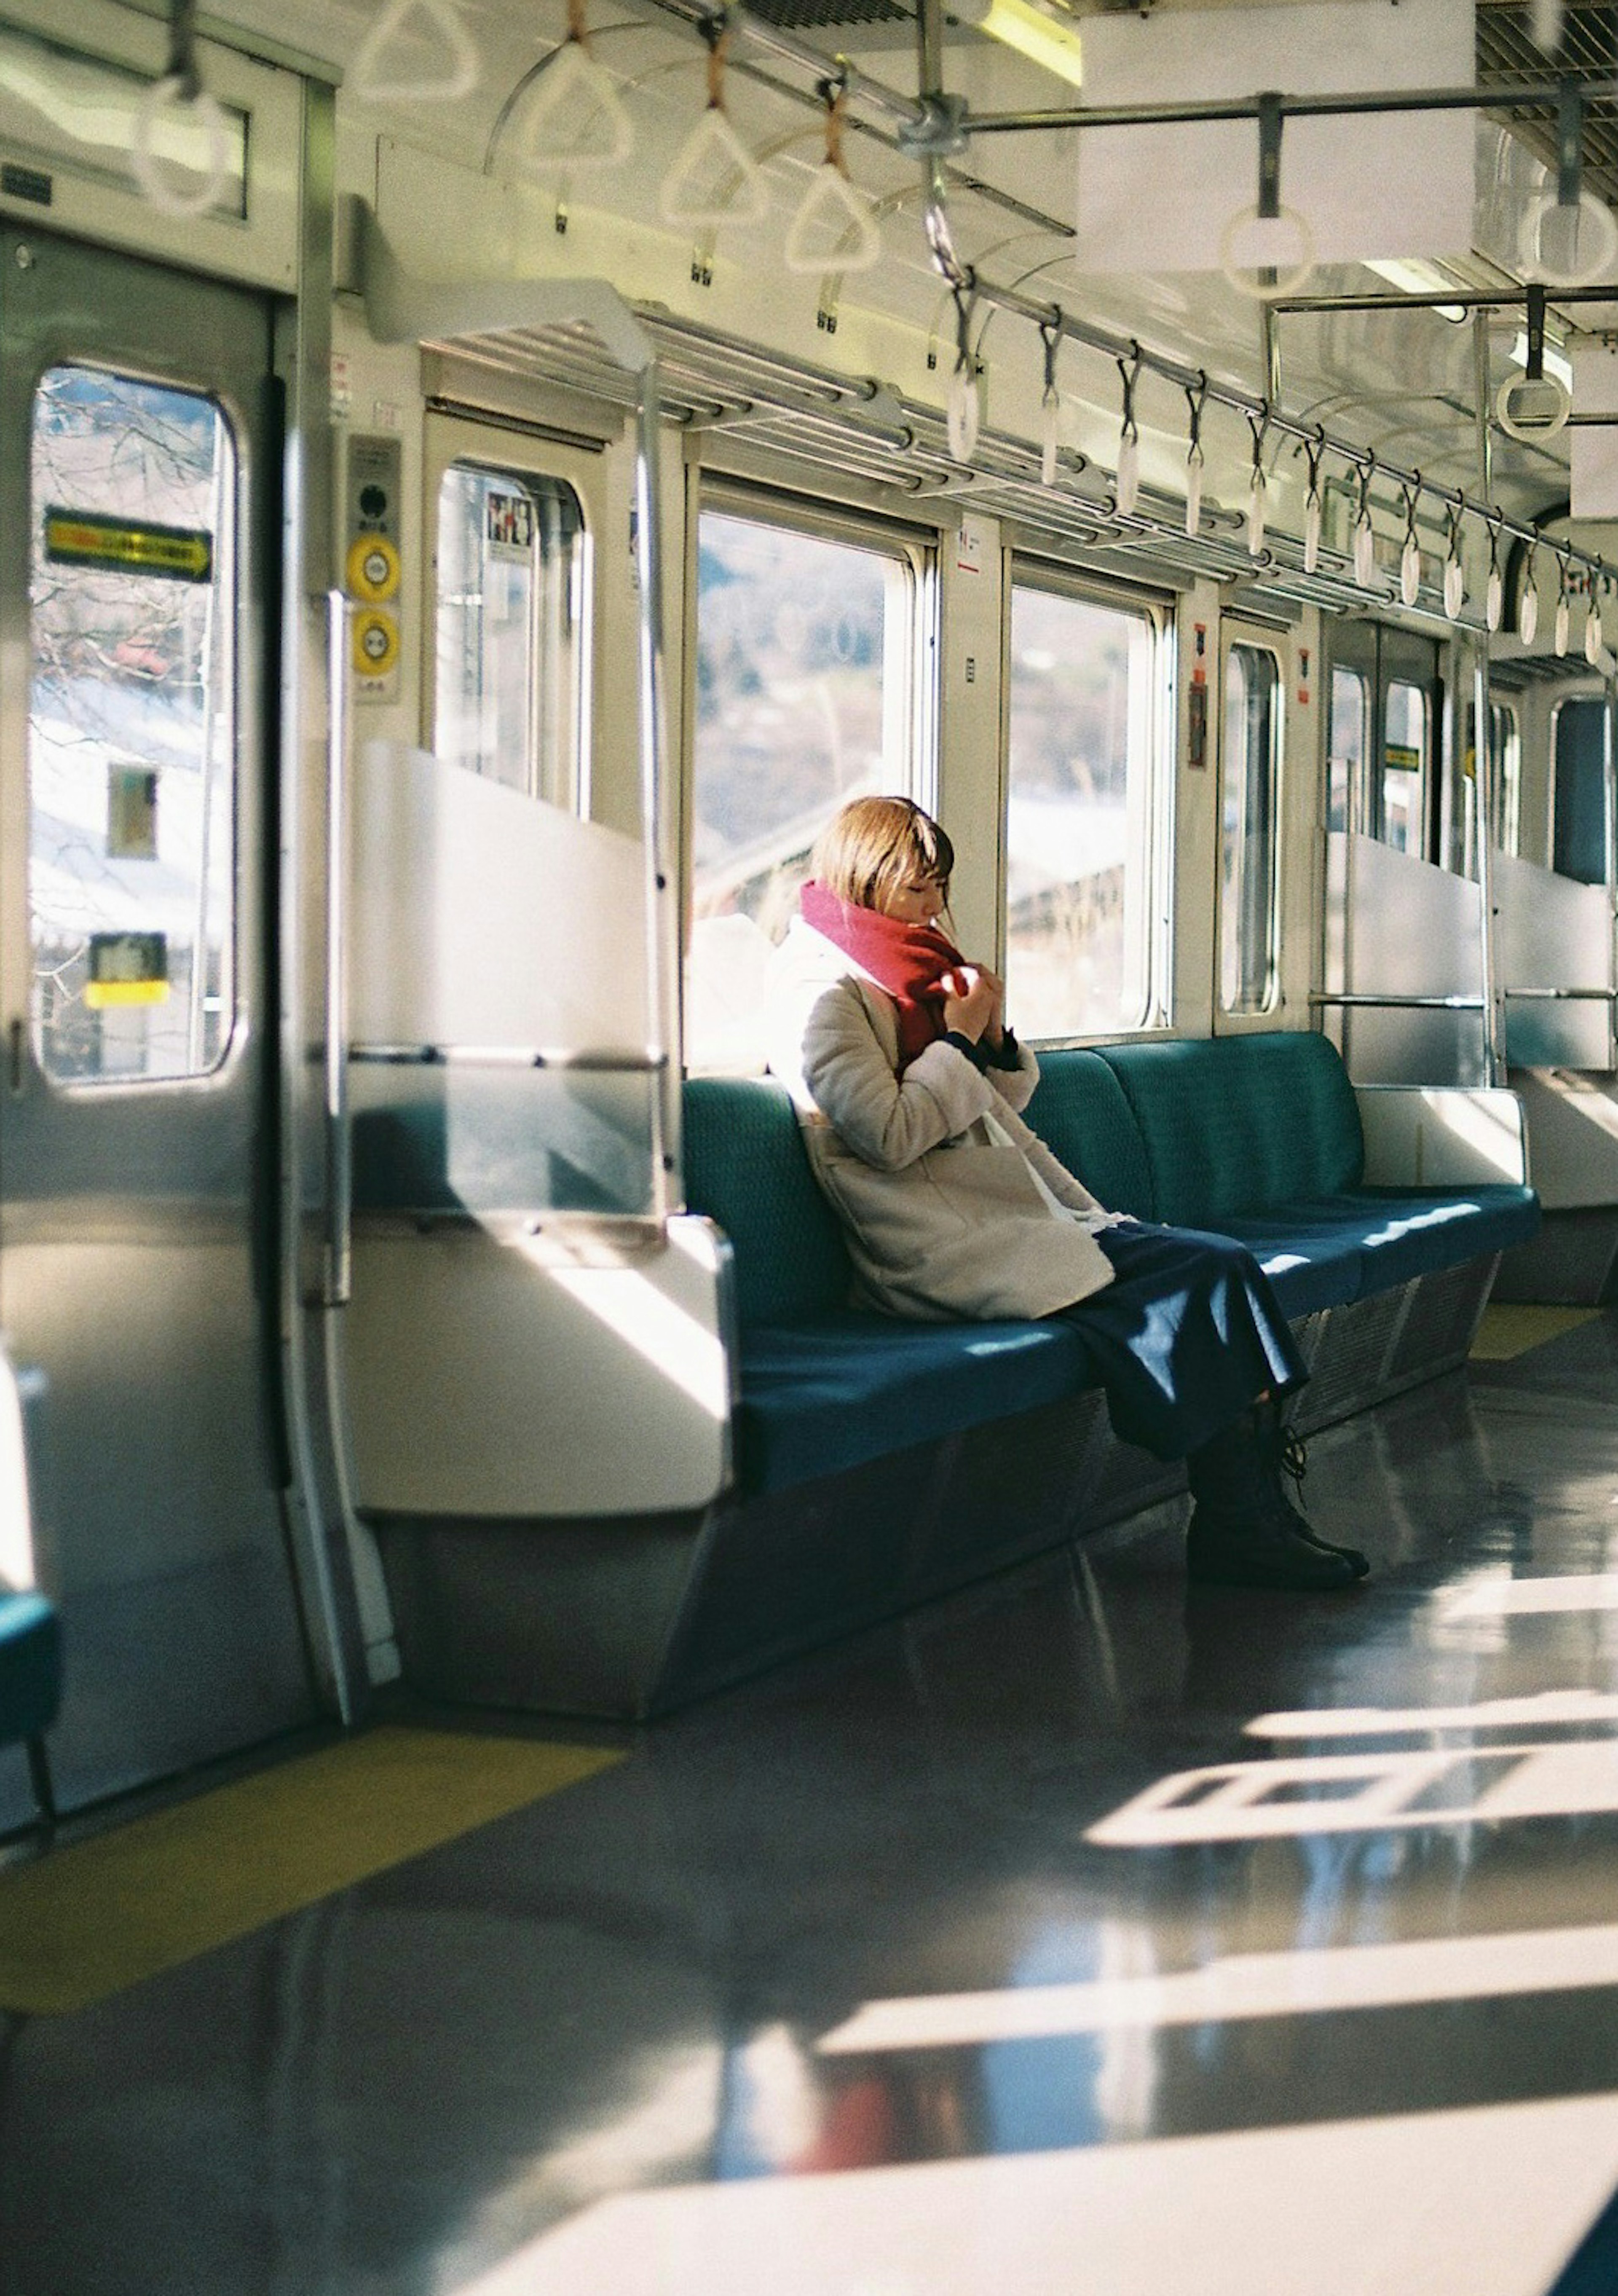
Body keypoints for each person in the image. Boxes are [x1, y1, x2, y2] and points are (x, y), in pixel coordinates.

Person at [763, 795, 1368, 1593]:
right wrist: (953, 1039)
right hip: (934, 1242)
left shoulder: (906, 963)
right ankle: (1241, 1524)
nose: (937, 907)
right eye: (919, 890)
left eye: (941, 887)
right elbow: (890, 1133)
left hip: (1005, 1217)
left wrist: (991, 1035)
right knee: (1209, 1274)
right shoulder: (822, 992)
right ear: (864, 882)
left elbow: (995, 1100)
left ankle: (1249, 1518)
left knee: (1223, 1272)